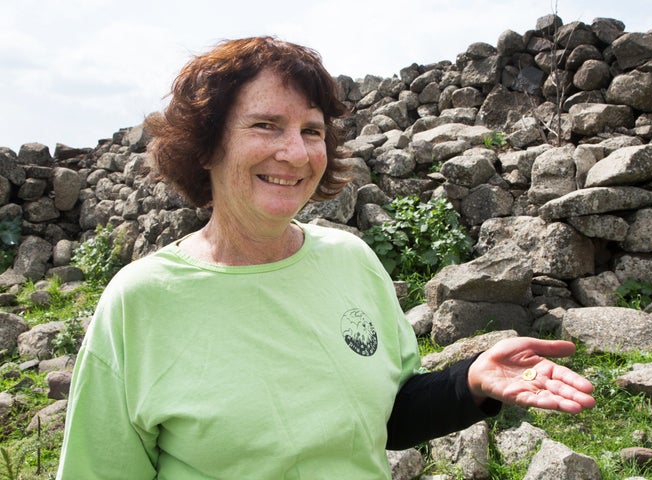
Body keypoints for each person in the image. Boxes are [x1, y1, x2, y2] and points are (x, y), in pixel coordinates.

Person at [56, 36, 595, 479]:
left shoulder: (349, 259)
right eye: (266, 125)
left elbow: (382, 415)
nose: (295, 152)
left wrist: (468, 381)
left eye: (311, 130)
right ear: (206, 146)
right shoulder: (142, 300)